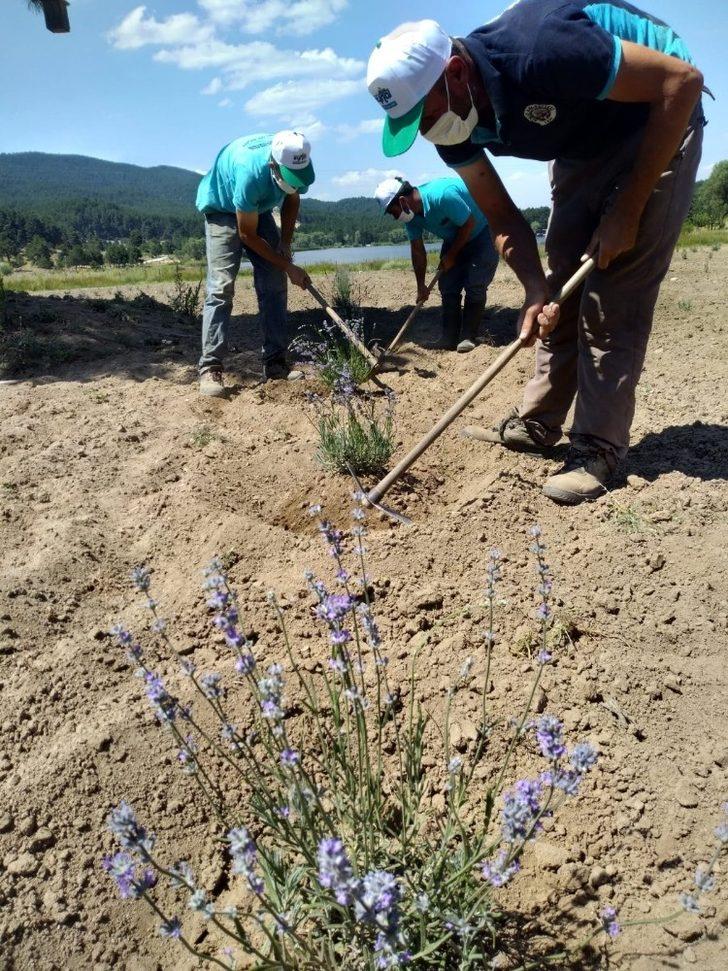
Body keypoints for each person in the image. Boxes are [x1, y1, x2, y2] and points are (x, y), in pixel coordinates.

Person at [367, 6, 705, 503]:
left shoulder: (539, 50)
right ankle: (539, 424)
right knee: (560, 281)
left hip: (658, 116)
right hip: (582, 142)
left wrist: (627, 211)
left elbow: (682, 81)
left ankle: (598, 446)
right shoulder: (451, 127)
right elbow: (502, 218)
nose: (423, 131)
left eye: (425, 115)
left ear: (455, 73)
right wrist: (533, 288)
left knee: (612, 293)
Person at [196, 130, 315, 395]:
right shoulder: (249, 172)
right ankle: (210, 368)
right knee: (221, 286)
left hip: (257, 208)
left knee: (274, 280)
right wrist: (289, 266)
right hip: (222, 207)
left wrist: (285, 244)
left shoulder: (298, 159)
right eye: (289, 178)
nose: (295, 182)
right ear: (274, 165)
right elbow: (247, 234)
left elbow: (292, 199)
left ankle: (275, 364)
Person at [374, 175, 499, 352]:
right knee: (448, 285)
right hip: (455, 236)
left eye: (393, 212)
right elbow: (417, 251)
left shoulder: (443, 195)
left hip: (482, 230)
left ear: (402, 201)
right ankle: (448, 337)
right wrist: (421, 286)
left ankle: (468, 337)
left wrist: (452, 255)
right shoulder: (411, 217)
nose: (395, 217)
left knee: (475, 284)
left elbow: (469, 223)